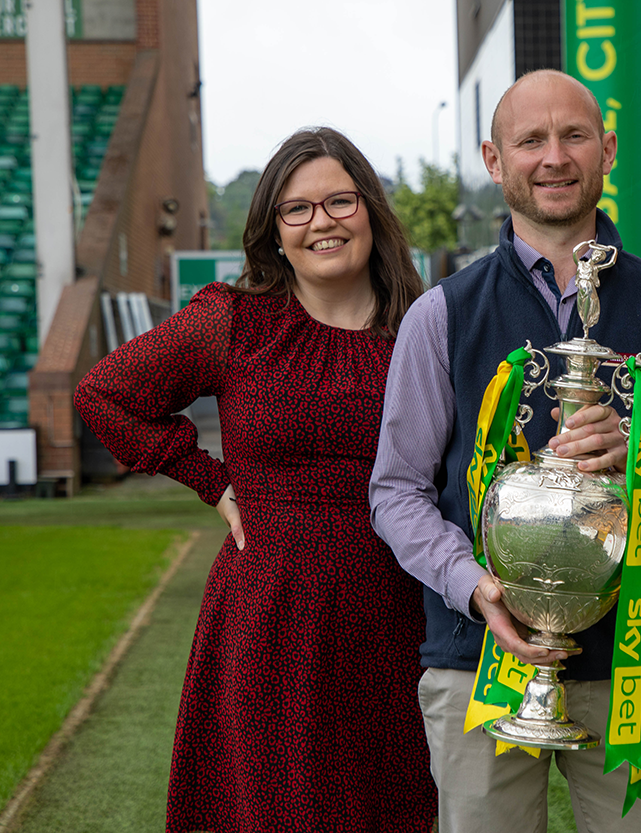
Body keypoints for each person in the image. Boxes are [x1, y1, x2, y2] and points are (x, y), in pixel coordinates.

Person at [369, 70, 641, 833]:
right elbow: (396, 489)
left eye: (573, 135)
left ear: (608, 150)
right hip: (479, 659)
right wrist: (475, 587)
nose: (553, 157)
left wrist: (640, 463)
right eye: (531, 140)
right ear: (496, 161)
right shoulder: (441, 313)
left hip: (633, 661)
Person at [74, 127, 436, 833]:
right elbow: (102, 393)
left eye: (339, 200)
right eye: (296, 209)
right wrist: (207, 479)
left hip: (397, 623)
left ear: (370, 209)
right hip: (267, 622)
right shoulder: (235, 323)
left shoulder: (425, 329)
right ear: (273, 230)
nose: (321, 221)